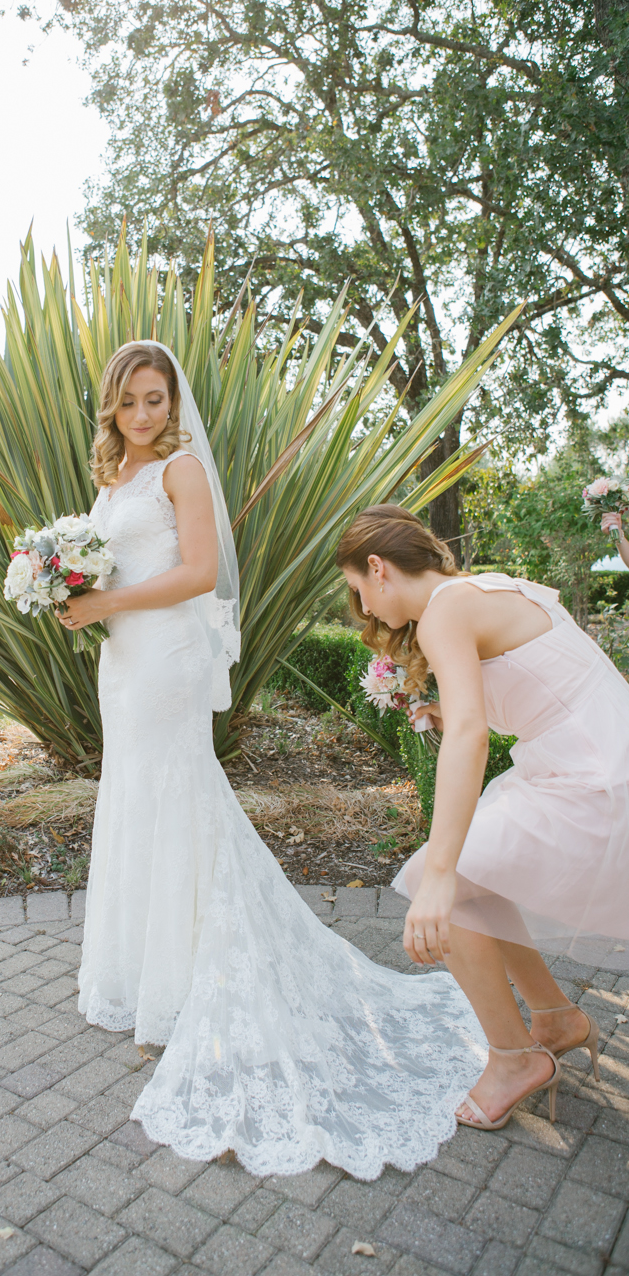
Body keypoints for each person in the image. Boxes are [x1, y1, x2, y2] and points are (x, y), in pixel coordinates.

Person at [58, 341, 486, 1179]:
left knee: (172, 788)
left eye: (156, 399)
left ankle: (187, 974)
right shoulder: (114, 477)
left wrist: (104, 600)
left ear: (170, 402)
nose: (143, 415)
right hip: (123, 657)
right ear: (109, 405)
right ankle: (149, 971)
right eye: (129, 402)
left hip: (168, 653)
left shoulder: (181, 468)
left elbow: (200, 574)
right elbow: (109, 558)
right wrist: (69, 587)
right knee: (137, 793)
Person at [336, 504, 629, 1131]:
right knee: (475, 875)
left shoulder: (444, 610)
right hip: (592, 759)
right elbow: (538, 690)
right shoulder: (484, 588)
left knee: (437, 880)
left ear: (379, 568)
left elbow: (471, 736)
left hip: (593, 782)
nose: (363, 610)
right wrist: (447, 712)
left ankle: (513, 1059)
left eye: (359, 591)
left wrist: (441, 870)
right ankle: (554, 1017)